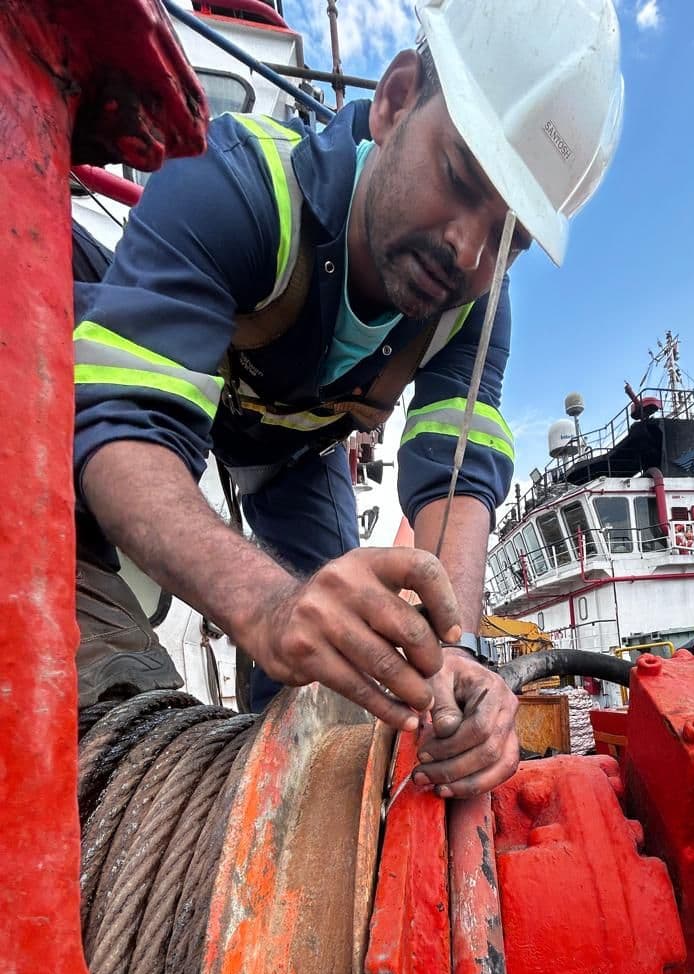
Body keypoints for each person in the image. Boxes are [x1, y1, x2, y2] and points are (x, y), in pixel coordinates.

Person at [73, 0, 623, 798]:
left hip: (293, 450)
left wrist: (459, 659)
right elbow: (126, 421)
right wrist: (267, 606)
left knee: (334, 665)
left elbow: (455, 485)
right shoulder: (234, 186)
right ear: (397, 100)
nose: (467, 248)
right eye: (461, 178)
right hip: (155, 374)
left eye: (510, 237)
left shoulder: (473, 306)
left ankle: (269, 805)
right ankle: (110, 730)